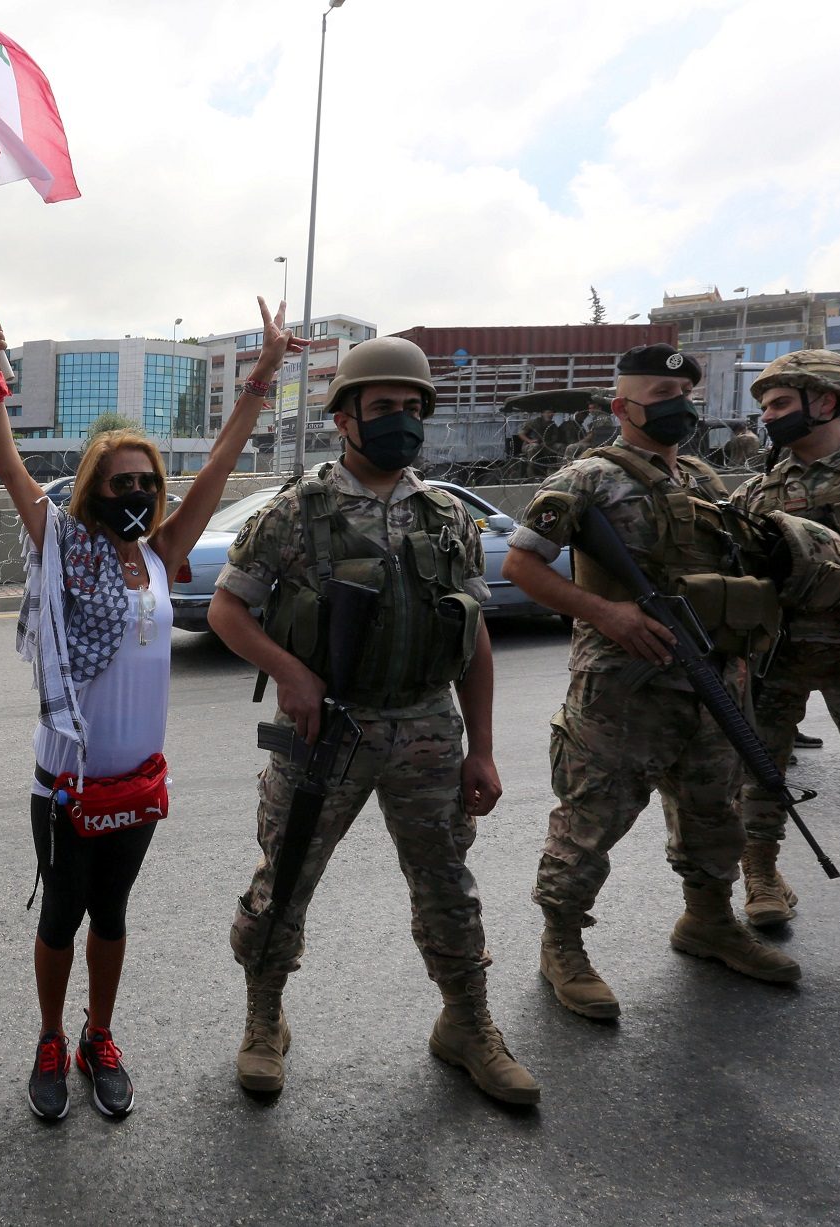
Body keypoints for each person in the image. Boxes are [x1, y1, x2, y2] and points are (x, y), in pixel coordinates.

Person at [0, 298, 306, 1123]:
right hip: (67, 783)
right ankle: (50, 1036)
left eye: (147, 482)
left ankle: (98, 1034)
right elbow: (10, 467)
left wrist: (261, 374)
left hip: (138, 783)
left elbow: (222, 463)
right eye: (121, 482)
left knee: (112, 916)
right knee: (61, 913)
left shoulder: (161, 555)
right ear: (94, 488)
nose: (137, 492)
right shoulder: (62, 544)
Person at [212, 336, 538, 1106]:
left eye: (412, 408)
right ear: (346, 418)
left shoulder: (448, 514)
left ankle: (467, 1022)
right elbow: (229, 608)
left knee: (448, 887)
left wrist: (482, 749)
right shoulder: (296, 511)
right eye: (384, 407)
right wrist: (290, 671)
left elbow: (474, 635)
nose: (401, 421)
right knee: (284, 880)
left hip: (426, 727)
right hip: (327, 729)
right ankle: (264, 1019)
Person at [501, 343, 800, 1022]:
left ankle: (708, 921)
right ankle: (563, 946)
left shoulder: (700, 477)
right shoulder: (586, 478)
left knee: (713, 812)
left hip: (710, 682)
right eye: (660, 394)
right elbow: (523, 564)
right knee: (591, 820)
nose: (678, 405)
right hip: (621, 688)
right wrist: (607, 612)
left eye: (683, 393)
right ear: (621, 407)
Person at [728, 350, 840, 960]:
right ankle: (761, 878)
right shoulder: (758, 489)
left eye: (780, 404)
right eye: (766, 407)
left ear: (825, 401)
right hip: (779, 657)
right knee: (758, 773)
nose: (769, 416)